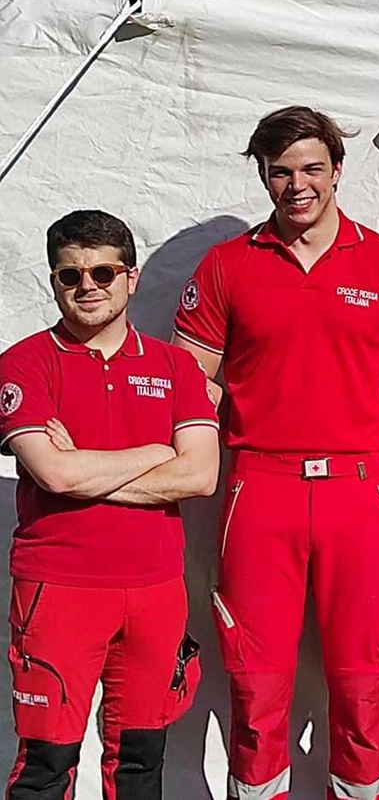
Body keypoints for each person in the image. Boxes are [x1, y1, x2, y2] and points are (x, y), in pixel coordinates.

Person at [173, 106, 379, 800]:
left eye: (311, 169)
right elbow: (189, 378)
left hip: (359, 489)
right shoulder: (228, 264)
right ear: (265, 177)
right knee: (254, 678)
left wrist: (378, 428)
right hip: (259, 485)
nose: (298, 185)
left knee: (363, 677)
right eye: (281, 172)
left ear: (337, 171)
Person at [0, 210, 219, 799]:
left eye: (102, 272)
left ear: (131, 277)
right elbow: (51, 470)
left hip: (154, 591)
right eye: (70, 276)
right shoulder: (23, 363)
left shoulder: (175, 366)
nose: (87, 287)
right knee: (47, 762)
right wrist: (154, 452)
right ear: (53, 282)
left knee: (140, 763)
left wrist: (81, 473)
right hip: (58, 588)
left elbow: (200, 475)